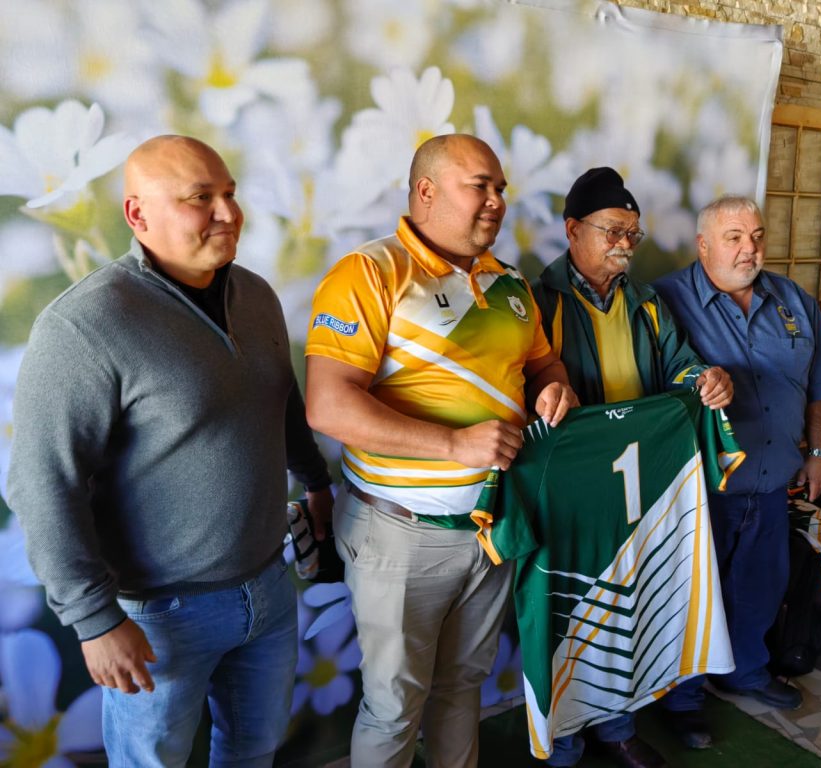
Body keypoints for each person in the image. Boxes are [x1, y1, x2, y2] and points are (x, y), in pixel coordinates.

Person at [6, 135, 334, 767]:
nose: (228, 213)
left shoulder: (258, 295)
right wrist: (95, 621)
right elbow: (43, 486)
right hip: (161, 614)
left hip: (268, 589)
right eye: (199, 198)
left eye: (230, 194)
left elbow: (281, 400)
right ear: (138, 215)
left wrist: (316, 481)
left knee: (255, 752)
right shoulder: (83, 326)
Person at [304, 133, 577, 768]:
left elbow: (543, 363)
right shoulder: (369, 273)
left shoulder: (508, 282)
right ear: (425, 190)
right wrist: (454, 443)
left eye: (501, 188)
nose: (497, 201)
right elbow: (330, 406)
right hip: (401, 534)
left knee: (462, 691)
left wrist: (553, 387)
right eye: (479, 185)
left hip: (491, 527)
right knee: (394, 706)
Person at [530, 167, 733, 768]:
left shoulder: (646, 304)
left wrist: (708, 380)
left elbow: (681, 365)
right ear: (573, 230)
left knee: (627, 601)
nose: (624, 243)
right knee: (573, 611)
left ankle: (617, 727)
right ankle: (564, 741)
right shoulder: (537, 302)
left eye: (633, 234)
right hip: (569, 491)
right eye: (613, 230)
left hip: (636, 483)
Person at [653, 194, 821, 740]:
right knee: (694, 592)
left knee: (762, 582)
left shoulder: (793, 300)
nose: (749, 248)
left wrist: (819, 451)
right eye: (735, 237)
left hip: (772, 476)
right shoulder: (664, 301)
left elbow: (817, 385)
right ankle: (683, 697)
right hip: (700, 485)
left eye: (757, 236)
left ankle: (746, 671)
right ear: (704, 245)